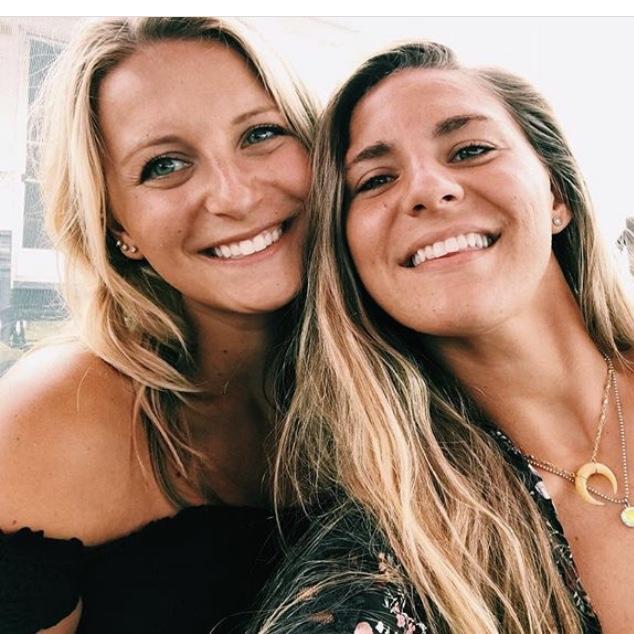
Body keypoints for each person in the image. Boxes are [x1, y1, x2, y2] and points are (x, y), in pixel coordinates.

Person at [252, 41, 634, 634]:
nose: (428, 190)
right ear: (348, 257)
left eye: (471, 149)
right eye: (376, 179)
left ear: (556, 194)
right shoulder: (379, 571)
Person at [0, 16, 317, 634]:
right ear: (117, 226)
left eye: (261, 134)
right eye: (165, 164)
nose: (233, 195)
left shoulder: (405, 384)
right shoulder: (54, 416)